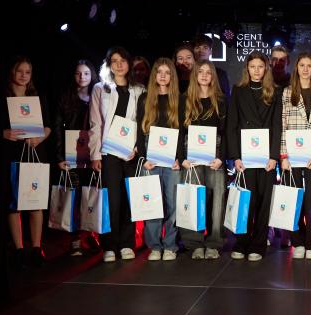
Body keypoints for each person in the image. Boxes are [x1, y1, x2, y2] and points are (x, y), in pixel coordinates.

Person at [89, 47, 146, 262]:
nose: (119, 64)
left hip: (131, 152)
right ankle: (110, 245)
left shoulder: (139, 89)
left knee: (129, 198)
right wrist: (95, 154)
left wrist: (137, 148)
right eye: (114, 61)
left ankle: (127, 243)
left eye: (123, 60)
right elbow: (95, 123)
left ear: (129, 63)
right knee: (111, 199)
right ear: (109, 64)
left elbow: (143, 122)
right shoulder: (100, 89)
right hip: (109, 152)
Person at [227, 51, 281, 261]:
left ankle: (258, 245)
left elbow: (277, 125)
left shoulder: (275, 91)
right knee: (245, 201)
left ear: (266, 68)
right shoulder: (238, 90)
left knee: (264, 202)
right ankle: (241, 243)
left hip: (266, 156)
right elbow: (232, 125)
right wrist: (235, 157)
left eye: (260, 66)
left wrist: (274, 156)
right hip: (245, 156)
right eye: (252, 67)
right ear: (247, 69)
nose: (256, 70)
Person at [0, 56, 52, 267]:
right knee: (14, 203)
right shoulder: (3, 97)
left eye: (27, 72)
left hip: (34, 153)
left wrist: (40, 138)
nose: (23, 75)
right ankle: (19, 249)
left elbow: (48, 125)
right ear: (12, 72)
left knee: (35, 201)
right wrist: (4, 133)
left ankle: (36, 248)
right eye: (19, 71)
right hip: (12, 154)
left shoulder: (37, 97)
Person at [279, 52, 311, 260]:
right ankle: (297, 240)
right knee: (294, 199)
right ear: (297, 68)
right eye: (302, 65)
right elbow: (283, 125)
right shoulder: (287, 93)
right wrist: (283, 155)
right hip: (292, 155)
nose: (306, 69)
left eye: (309, 65)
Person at [135, 57, 185, 261]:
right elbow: (140, 131)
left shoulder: (179, 99)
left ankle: (170, 245)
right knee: (153, 203)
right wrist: (142, 158)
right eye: (159, 72)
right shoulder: (145, 99)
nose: (163, 76)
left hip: (172, 159)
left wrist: (179, 158)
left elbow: (182, 133)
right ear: (154, 75)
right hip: (151, 157)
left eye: (167, 72)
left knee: (173, 204)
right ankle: (155, 246)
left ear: (172, 76)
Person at [180, 60, 227, 260]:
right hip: (190, 154)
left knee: (217, 199)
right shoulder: (185, 99)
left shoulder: (221, 100)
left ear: (213, 76)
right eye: (201, 71)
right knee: (194, 198)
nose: (205, 75)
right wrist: (181, 157)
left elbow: (227, 132)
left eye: (209, 72)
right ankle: (194, 242)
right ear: (195, 75)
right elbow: (178, 130)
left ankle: (214, 243)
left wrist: (222, 157)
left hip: (215, 153)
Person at [54, 59, 100, 256]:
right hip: (71, 155)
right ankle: (75, 239)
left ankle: (89, 234)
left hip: (92, 154)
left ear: (92, 75)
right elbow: (57, 128)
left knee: (90, 196)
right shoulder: (65, 98)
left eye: (86, 73)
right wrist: (59, 156)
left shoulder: (98, 95)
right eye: (78, 73)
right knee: (74, 196)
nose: (82, 77)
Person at [192, 34, 232, 99]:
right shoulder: (188, 72)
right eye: (197, 48)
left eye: (205, 47)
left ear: (210, 51)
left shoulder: (220, 74)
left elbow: (227, 99)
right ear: (193, 51)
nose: (201, 51)